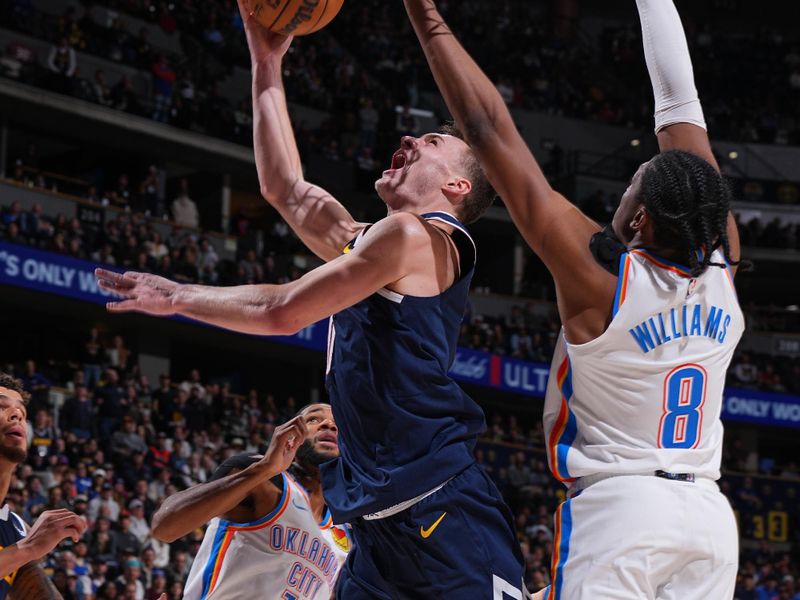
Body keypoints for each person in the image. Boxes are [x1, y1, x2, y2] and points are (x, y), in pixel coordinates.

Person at [95, 1, 526, 597]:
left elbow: (282, 311)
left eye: (429, 141)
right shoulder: (373, 245)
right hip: (376, 530)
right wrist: (266, 62)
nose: (408, 138)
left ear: (457, 185)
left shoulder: (413, 236)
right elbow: (285, 189)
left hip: (441, 510)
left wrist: (177, 295)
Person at [402, 0, 743, 598]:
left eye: (630, 182)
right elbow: (680, 103)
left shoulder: (601, 282)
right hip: (710, 521)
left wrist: (427, 16)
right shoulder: (722, 261)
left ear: (637, 220)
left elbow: (485, 129)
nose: (627, 181)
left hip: (624, 511)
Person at [151, 404, 348, 599]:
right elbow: (165, 527)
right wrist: (264, 468)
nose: (329, 424)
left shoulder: (346, 533)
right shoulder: (263, 480)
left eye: (338, 423)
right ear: (292, 434)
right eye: (314, 419)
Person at [0, 373, 87, 598]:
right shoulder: (26, 542)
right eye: (1, 406)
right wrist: (27, 549)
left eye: (22, 412)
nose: (17, 415)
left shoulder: (18, 529)